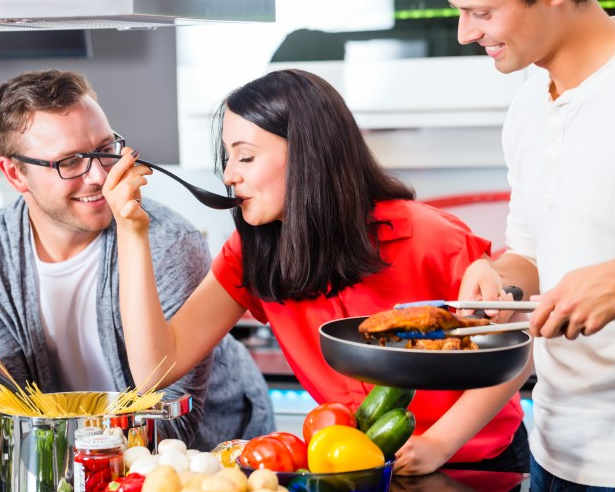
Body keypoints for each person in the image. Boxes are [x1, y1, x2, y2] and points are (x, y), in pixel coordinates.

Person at [104, 68, 532, 476]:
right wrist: (131, 231)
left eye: (246, 157)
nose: (230, 175)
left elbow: (515, 352)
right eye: (227, 156)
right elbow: (153, 371)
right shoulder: (250, 253)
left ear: (309, 154)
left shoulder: (428, 235)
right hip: (356, 462)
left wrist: (440, 443)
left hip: (478, 465)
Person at [0, 69, 274, 451]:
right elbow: (8, 417)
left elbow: (171, 428)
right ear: (15, 174)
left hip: (220, 449)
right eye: (69, 162)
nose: (100, 175)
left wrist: (35, 432)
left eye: (104, 149)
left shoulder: (167, 242)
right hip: (84, 463)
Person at [453, 0, 615, 488]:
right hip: (557, 447)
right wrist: (498, 277)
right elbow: (531, 255)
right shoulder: (527, 103)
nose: (465, 33)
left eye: (481, 12)